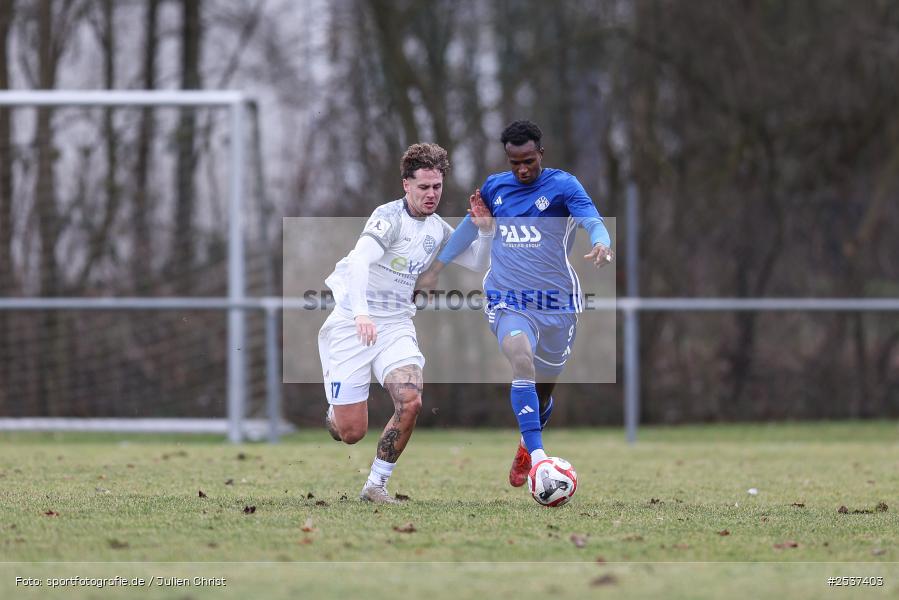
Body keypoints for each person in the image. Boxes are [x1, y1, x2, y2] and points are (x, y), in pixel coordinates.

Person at [415, 120, 614, 488]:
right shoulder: (495, 187)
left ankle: (527, 443)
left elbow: (591, 219)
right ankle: (540, 460)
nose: (522, 169)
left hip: (557, 304)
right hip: (508, 298)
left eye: (528, 161)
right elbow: (471, 227)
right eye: (514, 163)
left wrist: (601, 242)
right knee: (521, 359)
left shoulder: (563, 186)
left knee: (542, 391)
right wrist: (436, 268)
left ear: (541, 153)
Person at [319, 142, 494, 503]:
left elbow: (477, 263)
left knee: (411, 400)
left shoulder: (436, 229)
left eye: (437, 187)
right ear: (406, 185)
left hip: (396, 324)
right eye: (424, 187)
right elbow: (359, 263)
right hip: (354, 323)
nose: (432, 195)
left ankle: (375, 485)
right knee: (350, 432)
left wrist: (486, 230)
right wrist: (362, 313)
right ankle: (336, 414)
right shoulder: (387, 218)